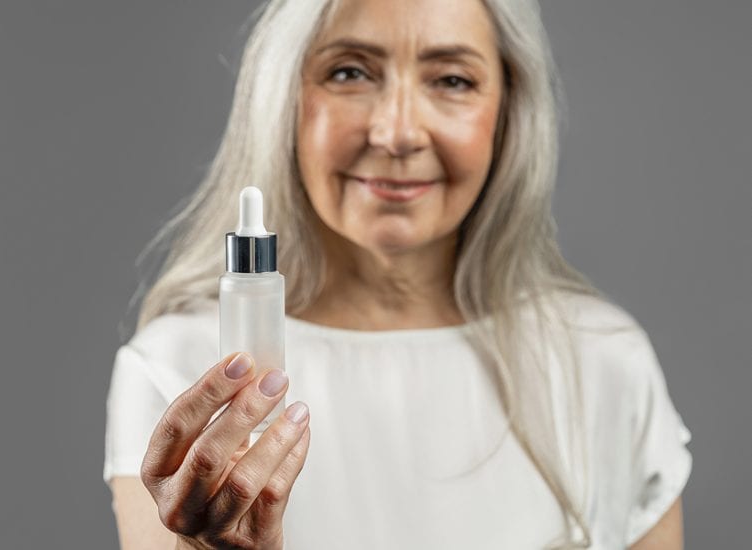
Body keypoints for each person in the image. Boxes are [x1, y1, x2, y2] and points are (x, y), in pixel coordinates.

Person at [103, 0, 693, 548]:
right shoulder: (174, 370)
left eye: (452, 80)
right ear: (282, 98)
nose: (397, 133)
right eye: (349, 73)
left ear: (508, 110)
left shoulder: (606, 363)